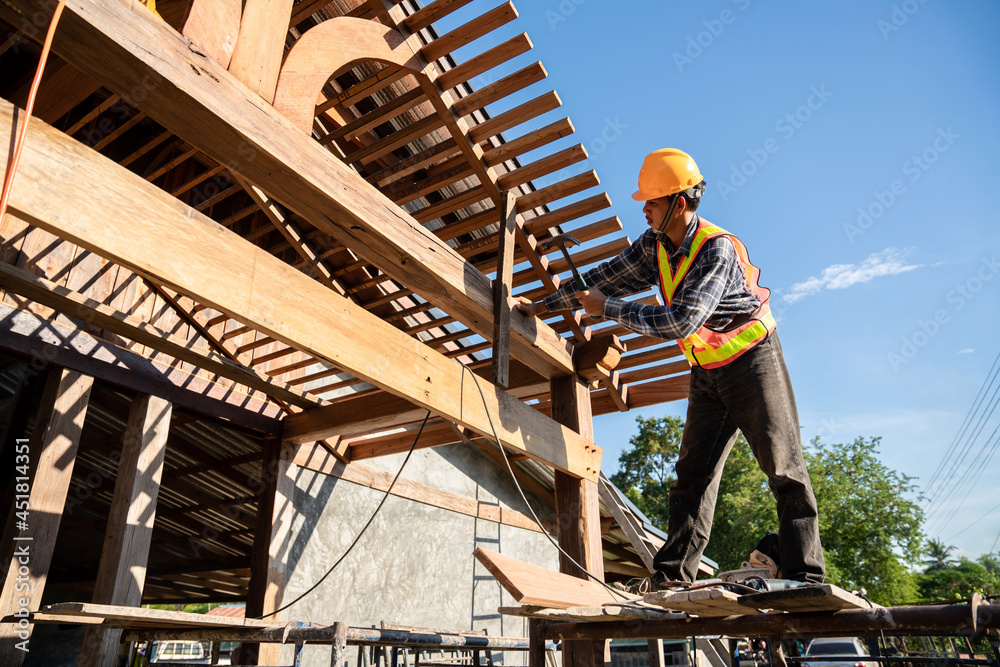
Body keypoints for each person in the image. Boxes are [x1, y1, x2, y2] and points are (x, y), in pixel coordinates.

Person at [515, 148, 825, 585]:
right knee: (691, 478)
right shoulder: (655, 245)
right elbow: (604, 278)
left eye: (652, 202)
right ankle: (673, 574)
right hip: (708, 370)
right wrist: (543, 306)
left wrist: (609, 309)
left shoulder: (716, 250)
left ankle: (805, 575)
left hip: (754, 363)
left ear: (678, 203)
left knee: (783, 467)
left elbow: (681, 320)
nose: (643, 209)